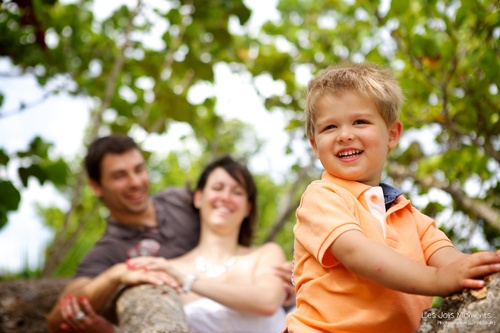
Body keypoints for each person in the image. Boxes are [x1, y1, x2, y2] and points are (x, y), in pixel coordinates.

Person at [282, 63, 500, 333]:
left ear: (392, 134)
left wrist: (488, 265)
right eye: (329, 127)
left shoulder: (409, 216)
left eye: (360, 121)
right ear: (315, 145)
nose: (345, 135)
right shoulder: (322, 197)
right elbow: (355, 252)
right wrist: (437, 279)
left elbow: (450, 260)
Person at [46, 135, 293, 333]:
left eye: (139, 169)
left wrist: (300, 280)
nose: (135, 182)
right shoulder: (113, 253)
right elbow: (61, 317)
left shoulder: (179, 201)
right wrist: (118, 273)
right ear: (96, 186)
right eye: (120, 175)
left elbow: (265, 297)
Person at [127, 155, 287, 332]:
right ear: (198, 198)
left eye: (237, 192)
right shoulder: (170, 268)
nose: (225, 197)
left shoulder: (265, 255)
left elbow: (267, 302)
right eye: (217, 188)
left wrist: (188, 282)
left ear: (247, 208)